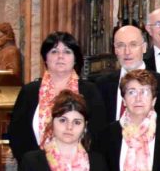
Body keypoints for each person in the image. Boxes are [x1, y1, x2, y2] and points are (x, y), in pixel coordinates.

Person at [8, 32, 107, 162]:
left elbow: (98, 134)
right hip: (36, 169)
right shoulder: (29, 92)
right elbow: (17, 135)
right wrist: (36, 163)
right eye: (54, 52)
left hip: (80, 168)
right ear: (45, 58)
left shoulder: (90, 91)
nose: (60, 57)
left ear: (75, 58)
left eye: (67, 51)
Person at [93, 24, 160, 125]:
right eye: (121, 45)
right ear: (115, 50)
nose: (127, 52)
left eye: (133, 45)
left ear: (144, 48)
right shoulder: (101, 85)